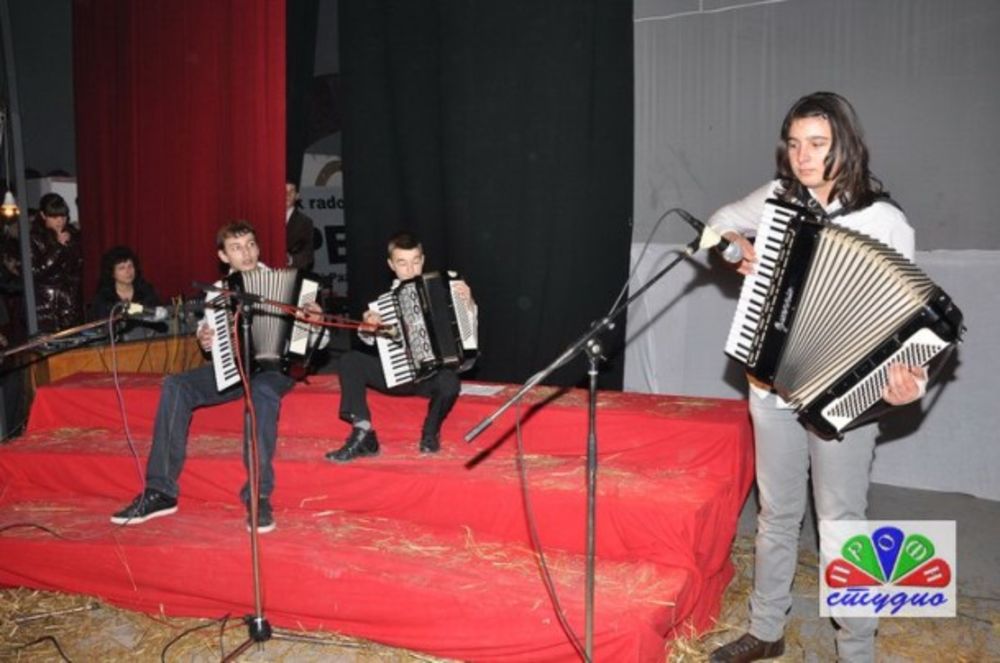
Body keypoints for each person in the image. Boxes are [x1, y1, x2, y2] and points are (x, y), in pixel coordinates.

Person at [707, 92, 927, 663]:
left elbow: (909, 317)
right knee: (776, 512)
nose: (803, 157)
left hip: (844, 394)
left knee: (842, 521)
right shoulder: (781, 199)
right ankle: (767, 628)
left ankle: (857, 650)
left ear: (845, 146)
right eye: (795, 144)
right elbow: (719, 224)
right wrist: (736, 249)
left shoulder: (884, 220)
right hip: (770, 384)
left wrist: (911, 379)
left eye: (817, 144)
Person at [111, 221, 324, 533]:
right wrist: (206, 336)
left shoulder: (292, 285)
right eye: (237, 248)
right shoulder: (218, 293)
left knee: (262, 393)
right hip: (233, 367)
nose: (247, 253)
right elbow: (207, 330)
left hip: (275, 369)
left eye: (251, 244)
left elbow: (318, 342)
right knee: (176, 385)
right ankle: (160, 490)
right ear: (223, 256)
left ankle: (258, 494)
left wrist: (315, 324)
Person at [325, 231, 474, 462]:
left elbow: (467, 333)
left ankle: (430, 433)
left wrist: (469, 304)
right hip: (397, 376)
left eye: (415, 261)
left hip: (430, 378)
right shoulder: (384, 302)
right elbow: (368, 341)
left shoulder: (445, 289)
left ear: (423, 260)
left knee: (450, 382)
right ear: (391, 265)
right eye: (402, 263)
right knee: (349, 360)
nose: (410, 269)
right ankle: (363, 432)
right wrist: (368, 327)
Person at [30, 193, 84, 333]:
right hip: (47, 305)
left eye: (63, 216)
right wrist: (57, 248)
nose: (60, 221)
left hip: (71, 302)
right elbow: (35, 271)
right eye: (54, 217)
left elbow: (79, 266)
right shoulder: (35, 238)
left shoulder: (71, 234)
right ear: (43, 215)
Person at [90, 245, 163, 338]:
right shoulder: (104, 297)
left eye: (130, 266)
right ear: (112, 273)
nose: (128, 271)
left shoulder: (146, 291)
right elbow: (99, 329)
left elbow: (159, 317)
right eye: (122, 268)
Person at [285, 182, 316, 272]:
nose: (287, 194)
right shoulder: (268, 219)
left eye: (291, 191)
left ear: (297, 196)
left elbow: (308, 256)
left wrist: (290, 259)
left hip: (291, 275)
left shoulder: (305, 222)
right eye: (284, 191)